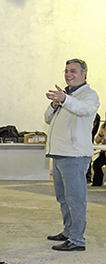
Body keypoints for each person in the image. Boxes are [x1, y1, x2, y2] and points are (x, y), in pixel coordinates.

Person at [44, 58, 100, 251]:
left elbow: (83, 110)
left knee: (75, 199)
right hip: (59, 153)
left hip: (74, 155)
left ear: (84, 74)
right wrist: (54, 104)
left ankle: (77, 240)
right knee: (63, 198)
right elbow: (47, 119)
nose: (68, 74)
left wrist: (65, 100)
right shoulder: (65, 95)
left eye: (73, 71)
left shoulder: (89, 96)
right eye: (67, 70)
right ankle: (68, 231)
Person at [92, 119, 106, 186]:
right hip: (104, 152)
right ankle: (97, 183)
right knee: (96, 164)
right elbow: (97, 141)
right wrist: (100, 135)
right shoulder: (103, 127)